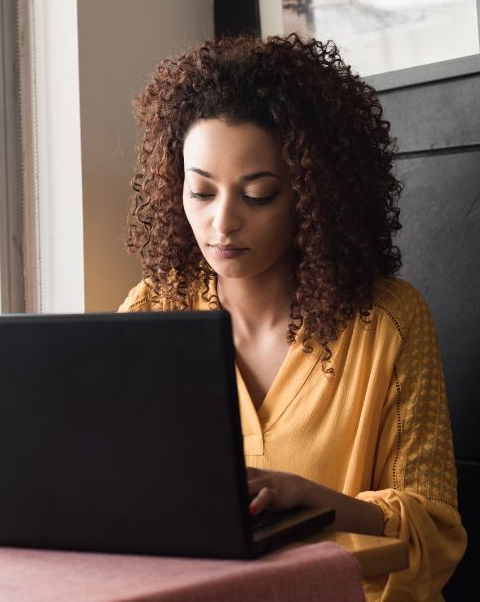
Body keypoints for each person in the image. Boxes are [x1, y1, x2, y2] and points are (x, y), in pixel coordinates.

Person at [118, 34, 466, 601]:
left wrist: (317, 500)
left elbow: (435, 532)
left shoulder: (387, 321)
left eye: (257, 195)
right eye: (201, 192)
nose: (222, 224)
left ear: (314, 196)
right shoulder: (153, 312)